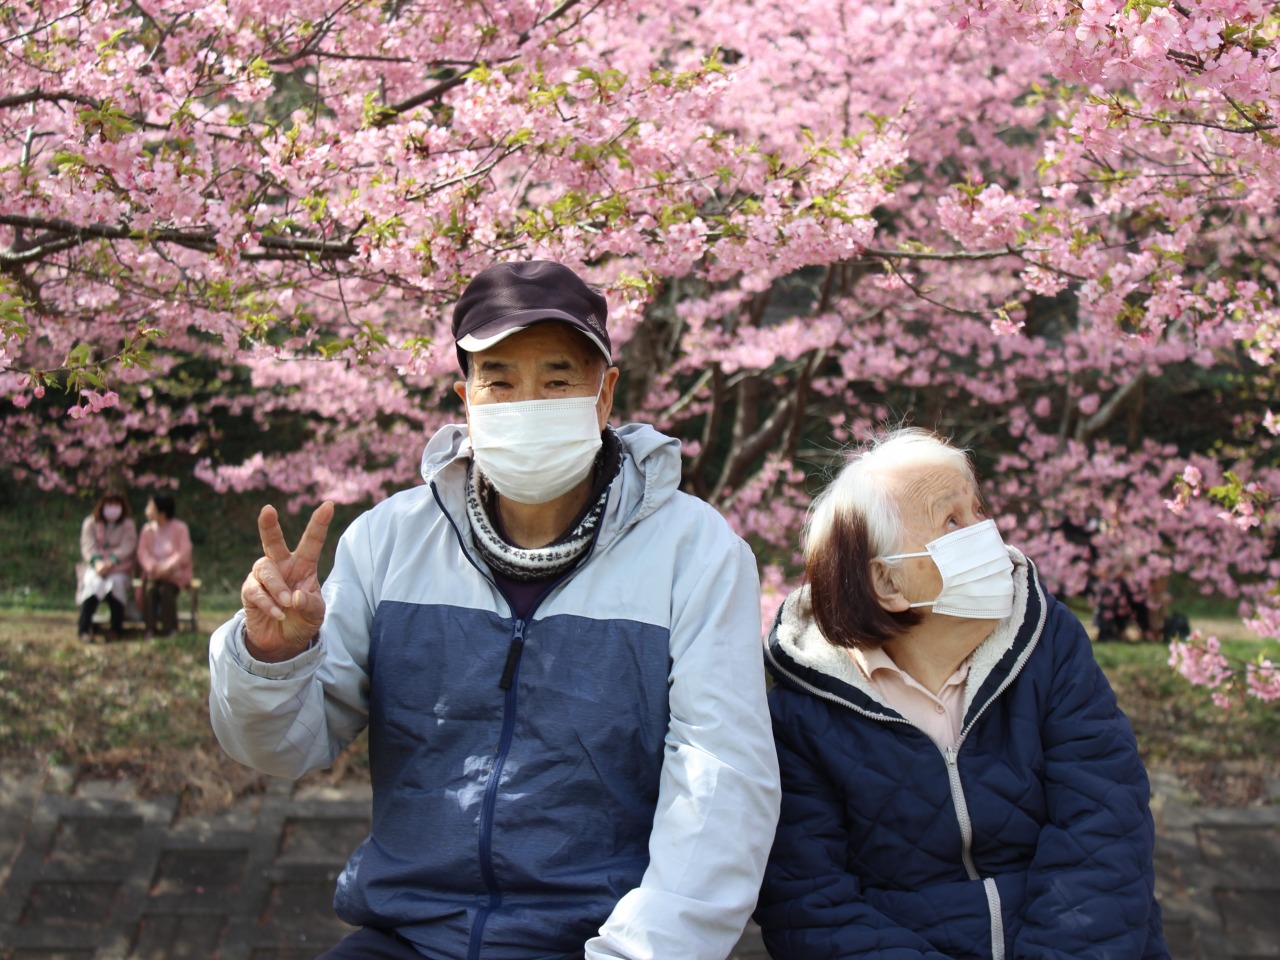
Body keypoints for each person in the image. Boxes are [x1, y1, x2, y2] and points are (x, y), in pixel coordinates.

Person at [208, 260, 781, 960]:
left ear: (606, 397)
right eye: (500, 381)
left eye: (558, 380)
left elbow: (721, 782)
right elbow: (277, 746)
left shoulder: (696, 555)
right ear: (466, 400)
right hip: (405, 938)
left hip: (600, 942)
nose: (528, 403)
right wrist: (271, 656)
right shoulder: (390, 543)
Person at [754, 427, 1168, 960]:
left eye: (978, 510)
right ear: (888, 584)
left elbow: (1106, 832)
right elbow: (810, 905)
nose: (988, 533)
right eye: (952, 520)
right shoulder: (803, 714)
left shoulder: (1051, 645)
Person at [76, 491, 138, 643]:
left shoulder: (128, 525)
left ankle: (115, 628)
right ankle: (84, 628)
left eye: (116, 505)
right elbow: (87, 545)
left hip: (119, 567)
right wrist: (97, 562)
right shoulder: (91, 523)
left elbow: (127, 546)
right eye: (109, 504)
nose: (112, 509)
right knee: (93, 584)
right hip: (95, 567)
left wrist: (111, 561)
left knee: (115, 585)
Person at [136, 492, 194, 637]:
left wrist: (167, 567)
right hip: (153, 574)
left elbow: (184, 552)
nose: (147, 510)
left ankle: (170, 628)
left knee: (166, 590)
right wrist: (153, 567)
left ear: (162, 511)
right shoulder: (147, 530)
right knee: (150, 589)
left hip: (174, 575)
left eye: (151, 507)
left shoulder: (180, 528)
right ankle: (150, 628)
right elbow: (142, 553)